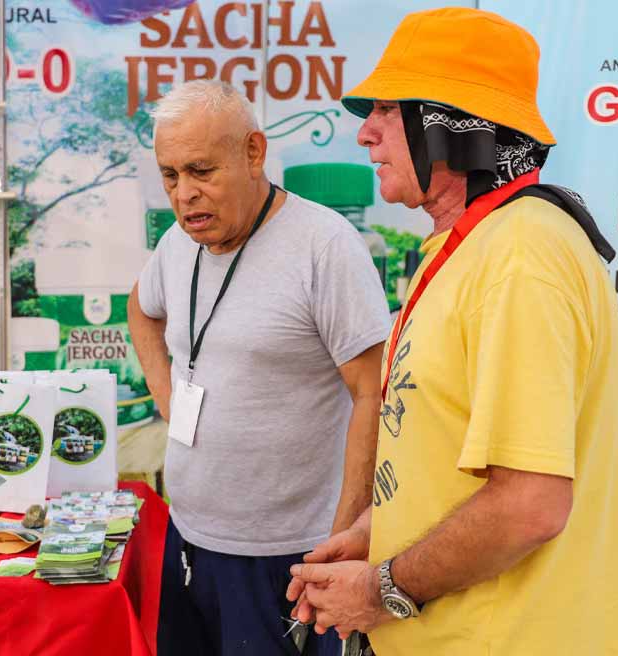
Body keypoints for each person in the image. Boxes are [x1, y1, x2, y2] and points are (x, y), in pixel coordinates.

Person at [286, 8, 618, 656]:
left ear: (450, 128)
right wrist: (382, 529)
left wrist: (380, 587)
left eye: (386, 109)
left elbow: (528, 504)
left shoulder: (520, 256)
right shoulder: (472, 247)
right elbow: (451, 453)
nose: (364, 134)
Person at [129, 80, 390, 656]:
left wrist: (343, 540)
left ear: (253, 152)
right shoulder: (179, 242)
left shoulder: (325, 245)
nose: (184, 195)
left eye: (201, 170)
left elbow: (373, 395)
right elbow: (141, 309)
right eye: (170, 175)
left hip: (290, 557)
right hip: (191, 540)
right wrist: (168, 398)